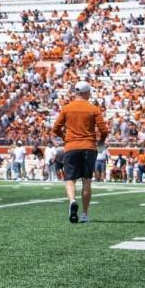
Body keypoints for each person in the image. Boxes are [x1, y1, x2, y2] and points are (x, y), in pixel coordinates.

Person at [52, 81, 108, 224]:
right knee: (87, 181)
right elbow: (104, 130)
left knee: (70, 179)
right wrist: (101, 142)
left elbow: (55, 128)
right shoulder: (93, 109)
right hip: (89, 147)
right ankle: (84, 214)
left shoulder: (67, 108)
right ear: (86, 93)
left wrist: (65, 137)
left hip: (71, 146)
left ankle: (72, 201)